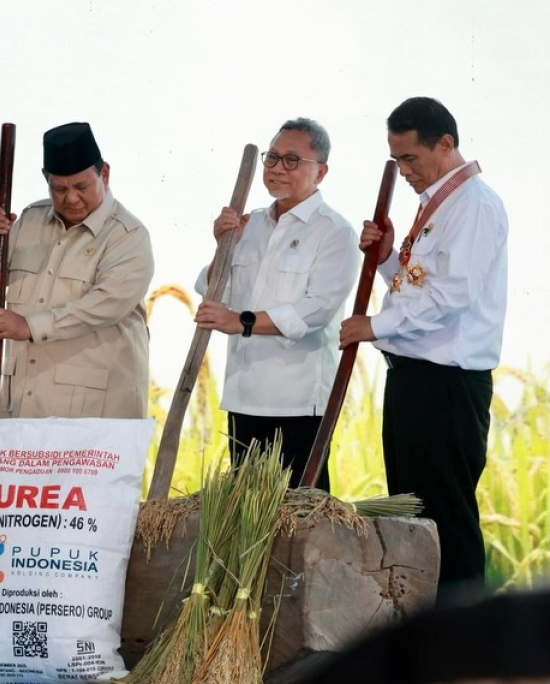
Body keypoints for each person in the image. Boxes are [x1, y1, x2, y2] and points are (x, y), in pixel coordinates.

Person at [340, 97, 508, 602]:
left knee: (446, 521)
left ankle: (464, 657)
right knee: (414, 517)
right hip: (415, 379)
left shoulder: (474, 204)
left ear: (446, 144)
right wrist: (388, 256)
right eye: (395, 160)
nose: (403, 171)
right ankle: (426, 643)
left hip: (447, 386)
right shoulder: (438, 204)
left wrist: (373, 325)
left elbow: (449, 299)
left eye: (410, 158)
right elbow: (417, 286)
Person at [193, 118, 358, 490]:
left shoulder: (334, 231)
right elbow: (216, 292)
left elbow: (317, 310)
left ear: (321, 172)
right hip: (243, 397)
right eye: (272, 158)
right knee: (244, 518)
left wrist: (242, 322)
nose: (277, 169)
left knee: (300, 522)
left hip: (298, 403)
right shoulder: (248, 225)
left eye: (291, 160)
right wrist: (223, 244)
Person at [0, 121, 153, 419]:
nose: (71, 198)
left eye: (81, 187)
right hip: (22, 406)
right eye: (59, 188)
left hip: (93, 416)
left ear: (104, 173)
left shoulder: (128, 235)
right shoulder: (30, 221)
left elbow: (106, 305)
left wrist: (30, 326)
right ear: (46, 180)